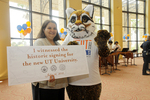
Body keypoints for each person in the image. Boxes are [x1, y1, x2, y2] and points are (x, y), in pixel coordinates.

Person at [31, 20, 68, 100]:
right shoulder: (39, 42)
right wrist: (46, 74)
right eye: (49, 28)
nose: (52, 30)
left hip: (58, 82)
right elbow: (36, 63)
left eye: (54, 28)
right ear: (43, 30)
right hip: (44, 85)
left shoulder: (57, 44)